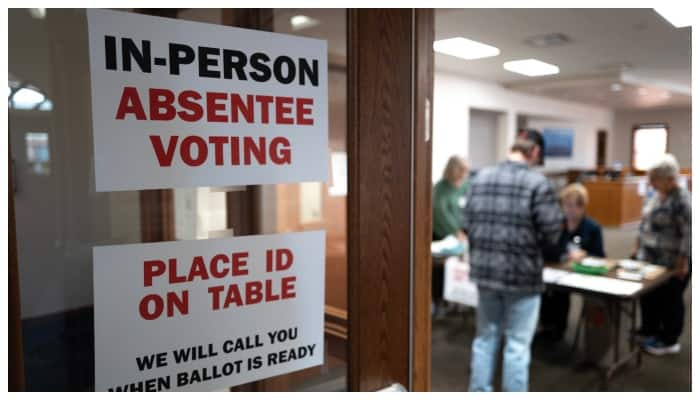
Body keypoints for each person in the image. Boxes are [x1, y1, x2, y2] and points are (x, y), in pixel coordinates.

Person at [464, 129, 562, 392]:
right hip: (523, 276)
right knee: (517, 346)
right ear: (535, 152)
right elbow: (552, 232)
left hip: (485, 273)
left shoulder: (480, 178)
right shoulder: (538, 183)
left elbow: (467, 224)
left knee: (484, 339)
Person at [632, 154, 691, 356]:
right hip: (649, 258)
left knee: (670, 300)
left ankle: (669, 340)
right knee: (649, 296)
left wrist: (682, 262)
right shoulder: (657, 194)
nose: (650, 182)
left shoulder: (683, 200)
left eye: (655, 178)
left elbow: (690, 233)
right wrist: (637, 246)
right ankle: (650, 330)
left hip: (672, 261)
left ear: (670, 179)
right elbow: (644, 223)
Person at [539, 183, 605, 342]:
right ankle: (547, 327)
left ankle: (558, 329)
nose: (569, 210)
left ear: (582, 207)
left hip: (582, 273)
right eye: (566, 205)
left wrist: (586, 255)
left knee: (561, 294)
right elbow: (546, 248)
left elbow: (601, 256)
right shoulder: (556, 224)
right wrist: (564, 254)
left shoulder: (593, 228)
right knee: (546, 290)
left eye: (574, 206)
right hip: (555, 269)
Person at [432, 155, 469, 316]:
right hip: (442, 234)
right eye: (460, 172)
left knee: (460, 267)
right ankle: (440, 301)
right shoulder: (440, 188)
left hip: (461, 233)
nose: (462, 176)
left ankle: (458, 299)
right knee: (441, 270)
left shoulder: (465, 186)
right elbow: (440, 212)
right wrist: (455, 230)